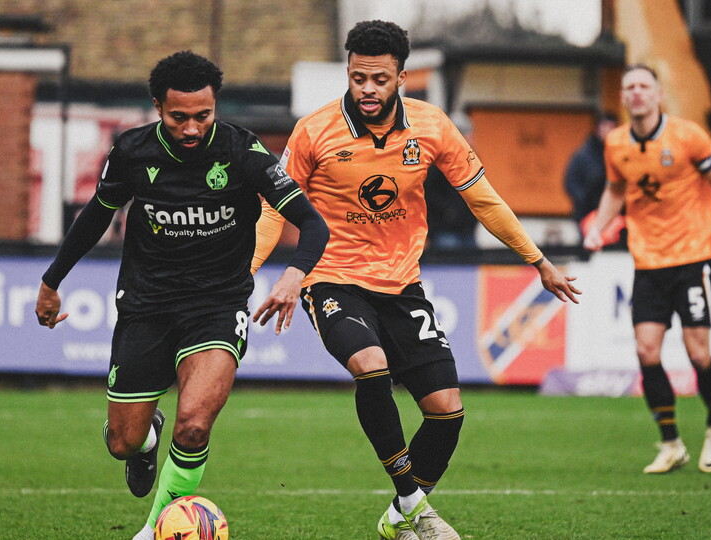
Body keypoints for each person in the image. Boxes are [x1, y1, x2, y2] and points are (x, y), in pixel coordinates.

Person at [253, 20, 580, 540]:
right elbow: (274, 210)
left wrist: (537, 260)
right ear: (348, 72)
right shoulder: (313, 131)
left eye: (380, 79)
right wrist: (250, 275)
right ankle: (413, 502)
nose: (367, 89)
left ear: (402, 77)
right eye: (359, 77)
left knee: (447, 413)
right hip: (332, 280)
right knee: (371, 364)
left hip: (402, 286)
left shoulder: (431, 127)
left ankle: (396, 517)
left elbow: (483, 198)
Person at [35, 51, 328, 540]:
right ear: (157, 107)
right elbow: (95, 216)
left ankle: (153, 530)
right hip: (146, 305)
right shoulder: (132, 151)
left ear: (216, 106)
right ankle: (147, 439)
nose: (192, 128)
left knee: (193, 426)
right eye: (178, 117)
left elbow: (313, 223)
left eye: (203, 116)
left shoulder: (243, 151)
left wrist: (294, 274)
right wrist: (51, 281)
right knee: (121, 443)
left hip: (217, 304)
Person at [583, 64, 711, 475]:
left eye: (643, 86)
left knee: (697, 352)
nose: (635, 93)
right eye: (628, 87)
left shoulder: (688, 136)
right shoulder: (616, 143)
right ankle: (671, 443)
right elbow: (616, 189)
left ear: (658, 94)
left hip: (693, 257)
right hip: (647, 261)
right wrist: (599, 227)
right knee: (646, 350)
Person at [564, 112, 618, 228]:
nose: (609, 132)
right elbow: (570, 182)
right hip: (588, 215)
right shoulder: (583, 155)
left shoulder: (619, 154)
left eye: (612, 128)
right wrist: (585, 201)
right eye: (606, 127)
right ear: (598, 129)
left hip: (615, 217)